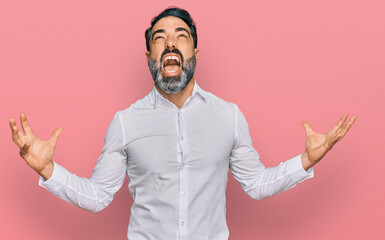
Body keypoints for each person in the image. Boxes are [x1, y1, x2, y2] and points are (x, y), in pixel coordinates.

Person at [9, 7, 356, 240]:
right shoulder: (125, 122)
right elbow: (99, 195)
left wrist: (306, 161)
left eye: (181, 36)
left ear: (194, 53)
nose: (170, 42)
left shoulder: (229, 116)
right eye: (159, 37)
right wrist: (49, 170)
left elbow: (255, 184)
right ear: (149, 56)